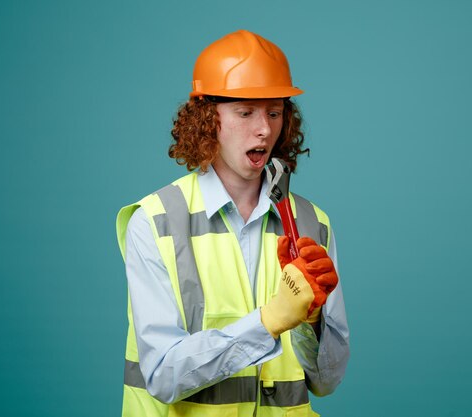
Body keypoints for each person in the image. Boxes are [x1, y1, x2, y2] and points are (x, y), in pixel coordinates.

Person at [115, 29, 350, 417]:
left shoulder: (312, 222)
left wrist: (311, 324)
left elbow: (326, 382)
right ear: (209, 120)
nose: (263, 129)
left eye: (274, 112)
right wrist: (269, 321)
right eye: (245, 112)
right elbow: (162, 375)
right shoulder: (155, 223)